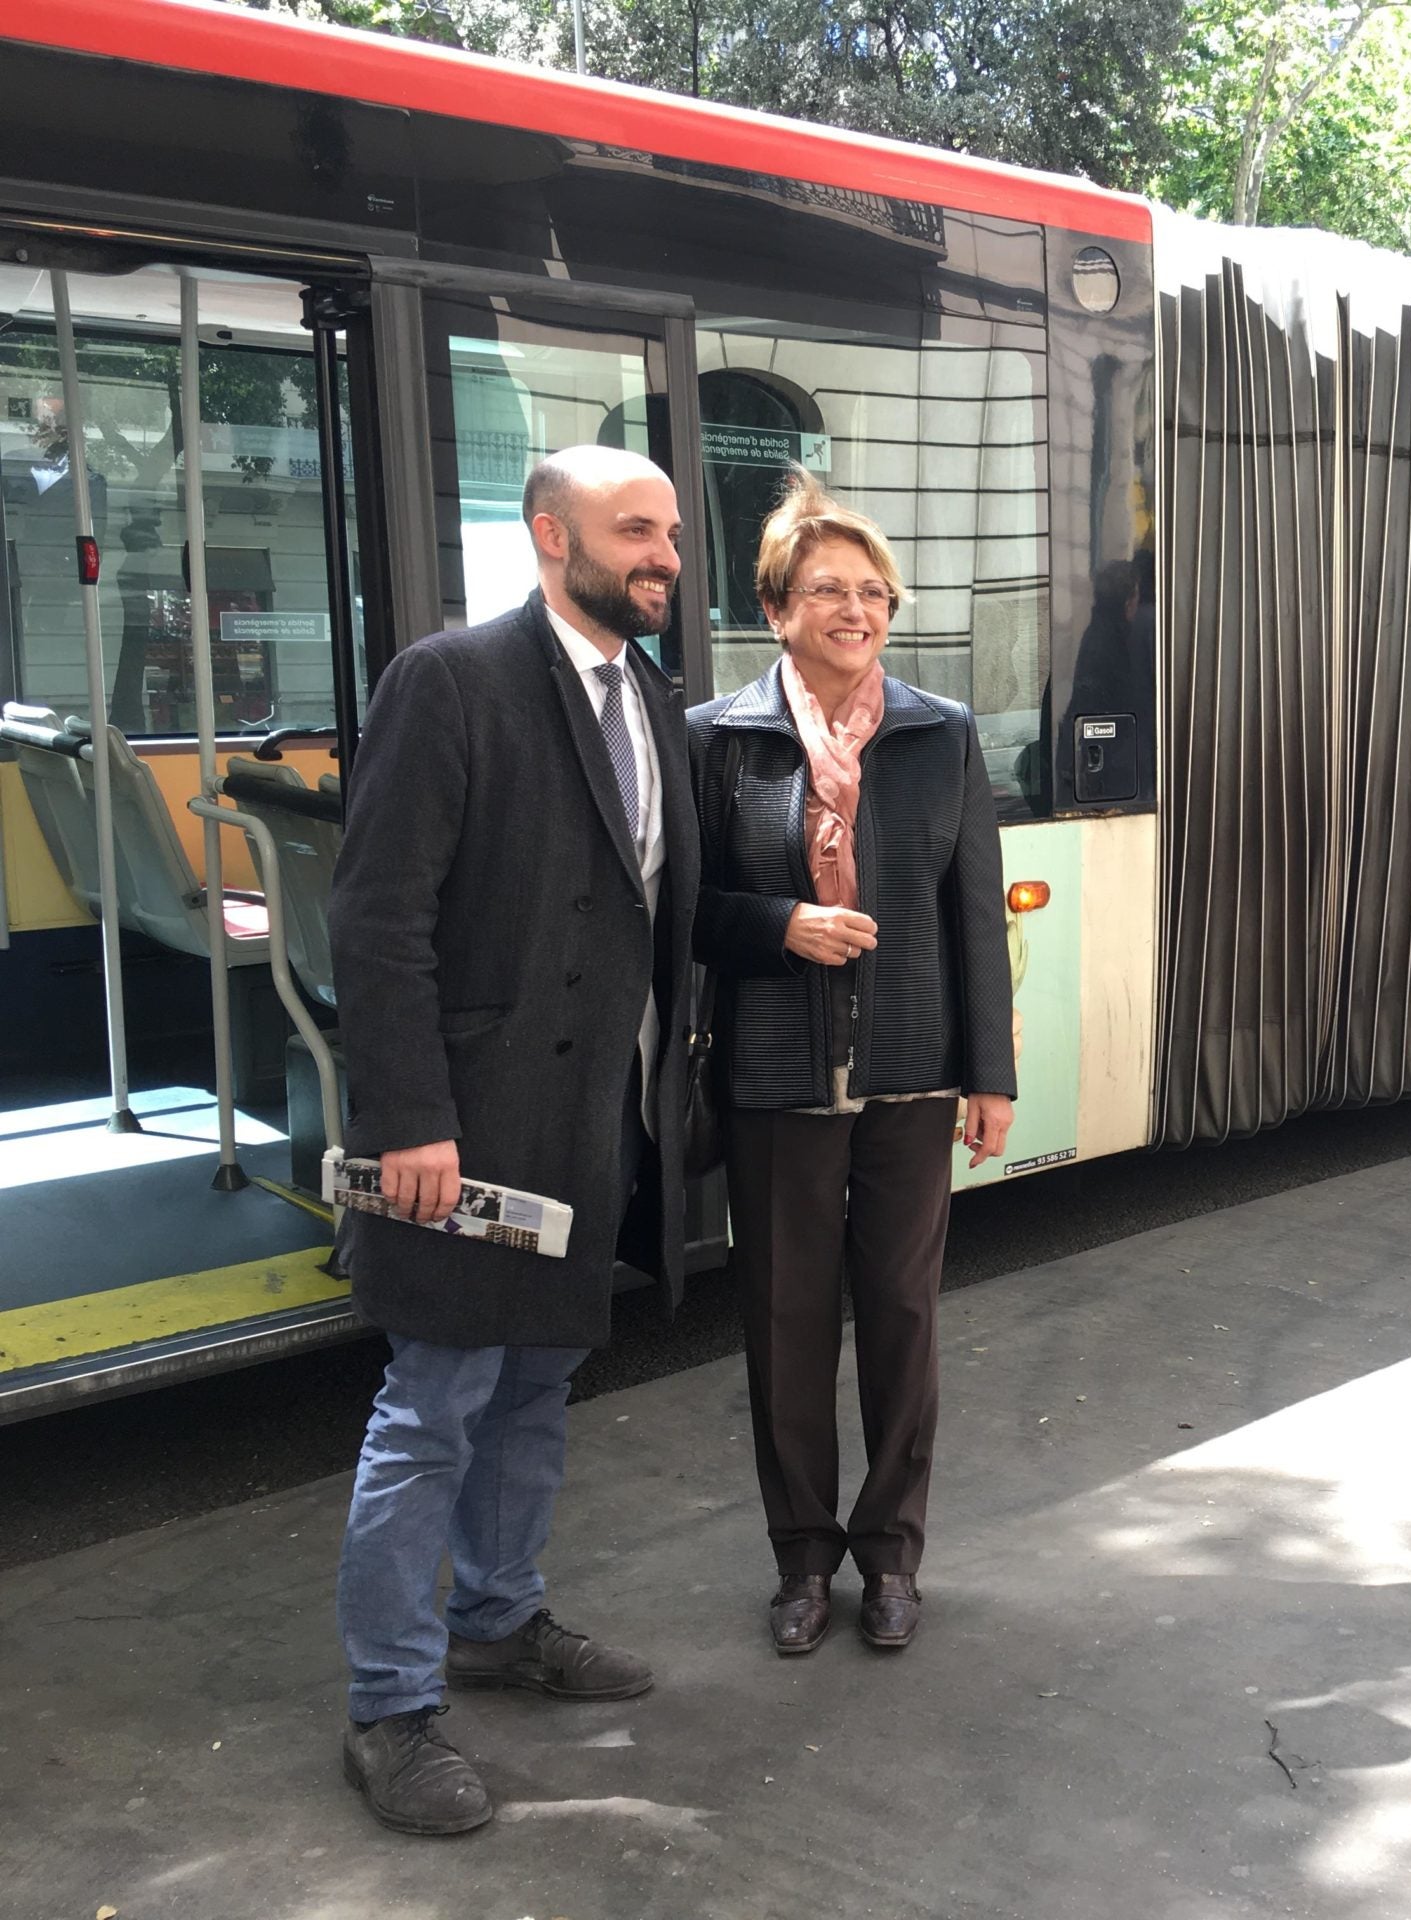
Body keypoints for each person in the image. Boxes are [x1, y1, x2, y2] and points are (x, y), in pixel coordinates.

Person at [328, 445, 700, 1835]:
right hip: (468, 1136)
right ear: (553, 534)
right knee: (430, 1414)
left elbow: (649, 910)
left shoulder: (649, 696)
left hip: (588, 1131)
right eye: (635, 531)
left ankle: (496, 1620)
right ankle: (390, 1710)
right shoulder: (452, 682)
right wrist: (409, 1116)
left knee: (534, 1397)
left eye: (669, 532)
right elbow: (377, 922)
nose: (664, 555)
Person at [690, 472, 1015, 1659]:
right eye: (830, 589)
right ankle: (799, 1560)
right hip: (776, 1074)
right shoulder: (718, 741)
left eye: (874, 591)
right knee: (782, 1324)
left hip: (912, 1070)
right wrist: (778, 925)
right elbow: (683, 911)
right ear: (777, 607)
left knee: (900, 1318)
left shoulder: (941, 734)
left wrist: (992, 1076)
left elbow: (975, 912)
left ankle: (889, 1556)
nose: (858, 609)